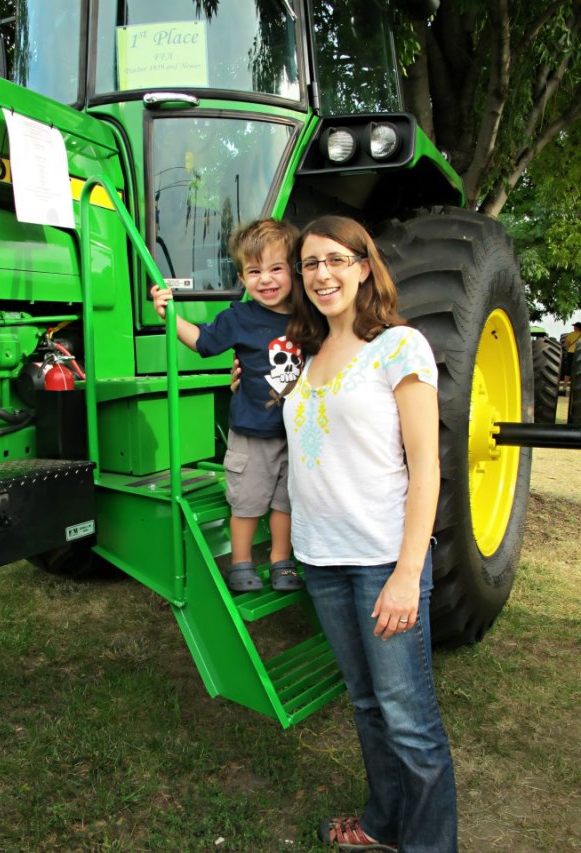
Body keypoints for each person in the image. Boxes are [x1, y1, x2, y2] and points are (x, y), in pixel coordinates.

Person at [282, 215, 458, 852]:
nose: (322, 274)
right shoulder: (305, 354)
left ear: (362, 265)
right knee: (365, 704)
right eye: (310, 264)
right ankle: (385, 824)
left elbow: (426, 464)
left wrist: (409, 572)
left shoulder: (398, 345)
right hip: (322, 560)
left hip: (383, 560)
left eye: (335, 260)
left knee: (410, 722)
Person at [151, 218, 304, 594]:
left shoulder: (309, 317)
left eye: (276, 269)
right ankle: (240, 562)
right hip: (252, 432)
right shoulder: (240, 317)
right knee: (248, 500)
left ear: (293, 271)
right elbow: (203, 343)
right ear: (241, 276)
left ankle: (281, 560)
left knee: (287, 501)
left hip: (297, 433)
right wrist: (169, 316)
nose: (265, 279)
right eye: (254, 272)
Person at [563, 321, 581, 393]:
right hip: (579, 354)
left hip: (571, 353)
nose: (573, 327)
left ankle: (564, 387)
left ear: (577, 327)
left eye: (575, 326)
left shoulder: (571, 334)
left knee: (568, 370)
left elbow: (566, 344)